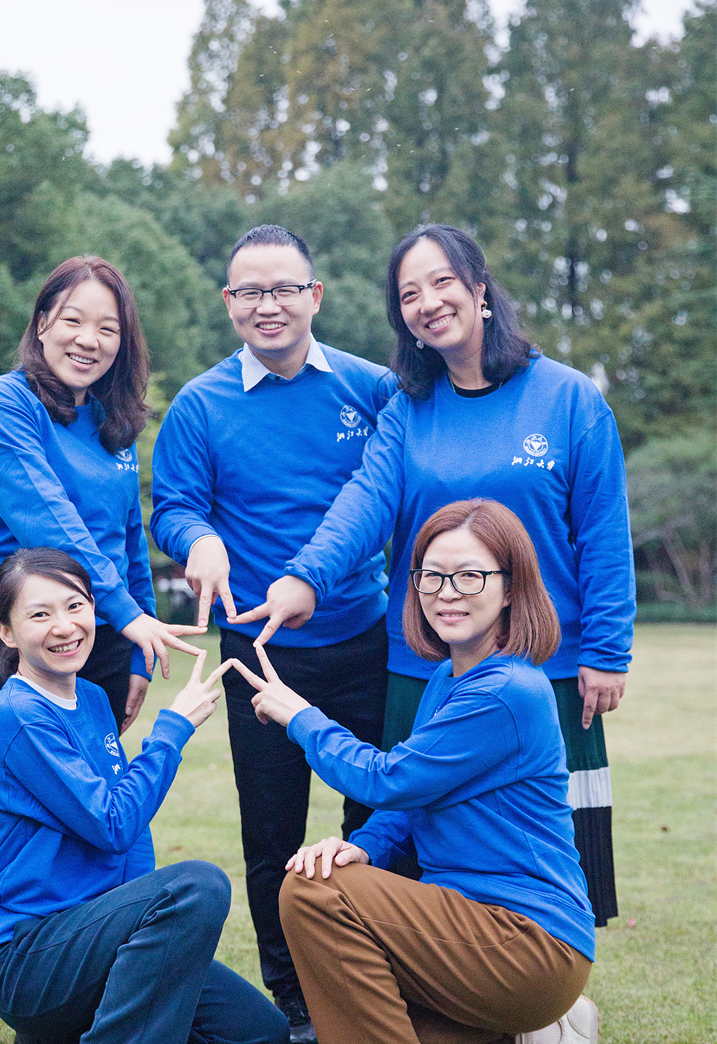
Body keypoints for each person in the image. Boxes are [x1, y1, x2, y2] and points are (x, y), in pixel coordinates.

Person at [238, 224, 634, 927]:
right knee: (413, 845)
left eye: (442, 282)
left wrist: (606, 651)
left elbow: (603, 534)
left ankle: (549, 982)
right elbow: (364, 503)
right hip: (424, 666)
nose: (428, 302)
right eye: (409, 294)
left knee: (546, 857)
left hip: (548, 663)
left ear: (480, 290)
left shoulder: (569, 398)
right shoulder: (407, 409)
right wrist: (306, 578)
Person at [230, 500, 599, 1044]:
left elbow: (390, 779)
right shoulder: (447, 678)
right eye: (431, 575)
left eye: (470, 576)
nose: (446, 592)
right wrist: (362, 846)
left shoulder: (506, 690)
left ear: (511, 586)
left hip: (526, 939)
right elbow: (411, 801)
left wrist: (302, 717)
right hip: (465, 932)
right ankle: (538, 1040)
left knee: (313, 891)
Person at [0, 256, 203, 1044]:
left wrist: (134, 640)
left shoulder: (113, 423)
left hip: (101, 631)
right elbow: (51, 526)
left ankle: (64, 1003)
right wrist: (129, 613)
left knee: (96, 810)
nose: (88, 339)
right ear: (42, 324)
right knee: (0, 816)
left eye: (108, 327)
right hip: (13, 630)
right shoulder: (5, 407)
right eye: (73, 319)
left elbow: (124, 535)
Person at [150, 225, 397, 1044]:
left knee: (376, 814)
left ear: (314, 296)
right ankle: (292, 999)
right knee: (271, 831)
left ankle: (378, 972)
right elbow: (173, 506)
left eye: (284, 288)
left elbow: (397, 494)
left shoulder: (371, 387)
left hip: (366, 639)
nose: (268, 305)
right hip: (257, 656)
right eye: (250, 291)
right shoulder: (200, 405)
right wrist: (197, 539)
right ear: (229, 303)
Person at [0, 547, 288, 1044]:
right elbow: (112, 821)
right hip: (25, 955)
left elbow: (128, 838)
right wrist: (173, 730)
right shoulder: (17, 715)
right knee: (197, 885)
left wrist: (134, 918)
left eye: (75, 606)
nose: (64, 626)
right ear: (6, 631)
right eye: (39, 614)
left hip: (92, 943)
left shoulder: (91, 700)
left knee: (258, 1039)